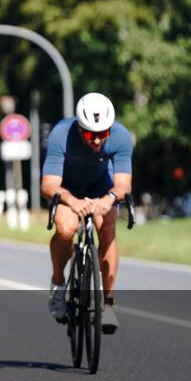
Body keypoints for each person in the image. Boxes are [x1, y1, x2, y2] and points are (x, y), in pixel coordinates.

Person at [41, 93, 132, 334]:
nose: (98, 140)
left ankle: (108, 303)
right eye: (92, 134)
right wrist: (71, 200)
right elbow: (48, 185)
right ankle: (59, 283)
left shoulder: (121, 136)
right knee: (66, 227)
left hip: (101, 184)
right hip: (66, 187)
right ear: (80, 129)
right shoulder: (61, 134)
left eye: (103, 133)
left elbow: (123, 185)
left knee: (108, 223)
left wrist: (109, 199)